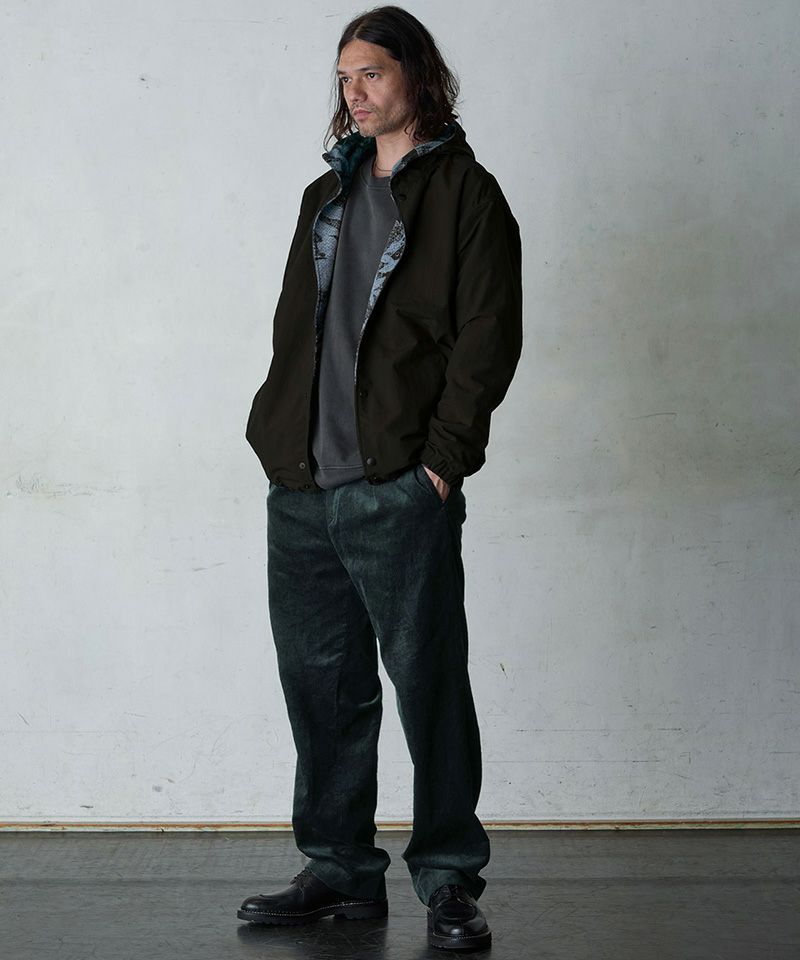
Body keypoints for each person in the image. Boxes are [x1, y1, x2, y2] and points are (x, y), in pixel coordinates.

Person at [239, 5, 522, 951]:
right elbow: (298, 332)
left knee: (428, 686)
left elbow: (487, 341)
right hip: (304, 487)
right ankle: (339, 870)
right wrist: (277, 437)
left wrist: (441, 465)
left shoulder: (467, 196)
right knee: (321, 690)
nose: (354, 93)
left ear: (415, 75)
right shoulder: (324, 197)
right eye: (344, 78)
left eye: (371, 73)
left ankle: (449, 879)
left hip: (400, 485)